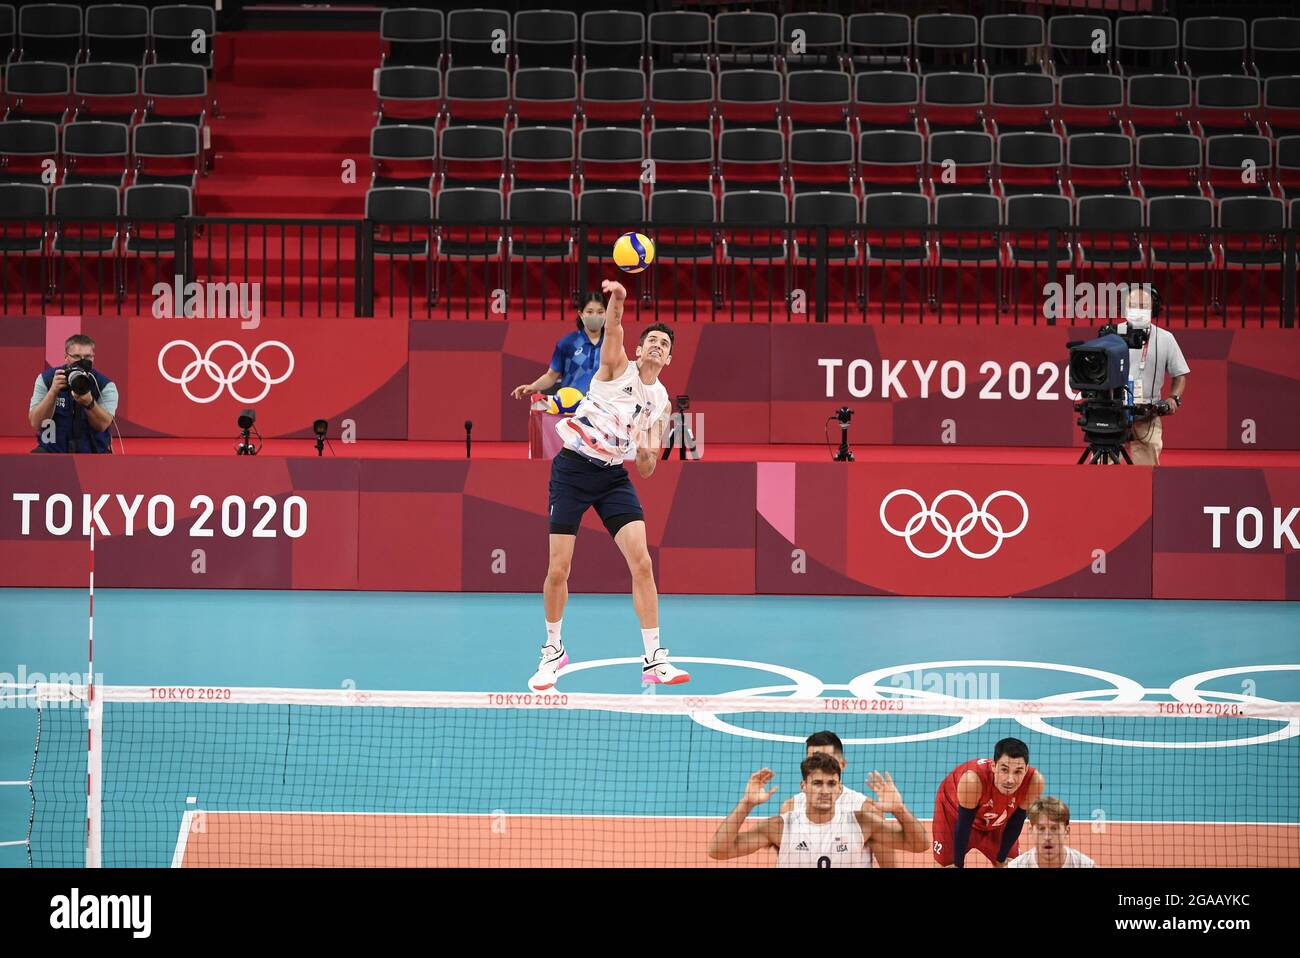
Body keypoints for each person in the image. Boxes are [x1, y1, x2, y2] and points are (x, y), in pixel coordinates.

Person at [528, 279, 686, 691]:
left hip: (613, 476)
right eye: (651, 340)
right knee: (558, 569)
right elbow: (614, 327)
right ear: (639, 349)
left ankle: (654, 658)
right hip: (573, 469)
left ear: (669, 359)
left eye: (663, 345)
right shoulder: (616, 365)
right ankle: (553, 650)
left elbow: (648, 467)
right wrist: (618, 295)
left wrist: (647, 451)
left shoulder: (663, 402)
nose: (656, 346)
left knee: (643, 564)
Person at [707, 752, 928, 867]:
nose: (825, 790)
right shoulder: (780, 827)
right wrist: (746, 804)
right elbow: (718, 851)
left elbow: (919, 845)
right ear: (803, 786)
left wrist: (899, 810)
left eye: (831, 784)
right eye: (817, 783)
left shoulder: (862, 823)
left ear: (839, 787)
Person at [778, 730, 901, 867]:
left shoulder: (866, 809)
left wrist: (900, 809)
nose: (820, 764)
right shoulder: (791, 807)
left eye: (826, 759)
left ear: (842, 765)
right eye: (813, 760)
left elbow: (890, 865)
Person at [932, 737, 1045, 868]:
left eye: (1018, 771)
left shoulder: (1034, 782)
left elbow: (1017, 821)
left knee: (1010, 864)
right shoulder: (972, 781)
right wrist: (958, 864)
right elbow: (963, 825)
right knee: (948, 865)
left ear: (1026, 769)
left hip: (996, 819)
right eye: (1004, 770)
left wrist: (1001, 858)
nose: (1010, 780)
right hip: (954, 815)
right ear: (993, 766)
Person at [1122, 285, 1189, 466]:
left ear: (1154, 309)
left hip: (1148, 415)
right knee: (1103, 474)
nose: (1138, 310)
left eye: (1143, 306)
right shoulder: (1113, 334)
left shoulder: (1166, 339)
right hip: (1114, 414)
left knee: (1145, 476)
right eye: (1133, 305)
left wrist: (1173, 398)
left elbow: (1180, 374)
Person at [28, 334, 117, 454]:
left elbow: (102, 425)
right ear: (66, 357)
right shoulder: (47, 379)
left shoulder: (105, 385)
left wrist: (90, 404)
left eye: (87, 357)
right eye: (76, 356)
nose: (82, 361)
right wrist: (53, 392)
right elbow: (36, 423)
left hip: (94, 453)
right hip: (52, 452)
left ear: (93, 357)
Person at [510, 292, 607, 401]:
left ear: (606, 314)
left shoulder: (612, 345)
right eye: (590, 312)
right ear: (581, 314)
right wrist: (533, 386)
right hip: (571, 408)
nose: (595, 316)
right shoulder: (568, 343)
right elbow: (551, 376)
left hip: (602, 410)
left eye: (600, 312)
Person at [1007, 796, 1097, 869]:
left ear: (1067, 831)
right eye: (1041, 829)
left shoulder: (1085, 865)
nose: (1047, 836)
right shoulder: (1016, 866)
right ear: (1031, 831)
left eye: (1054, 828)